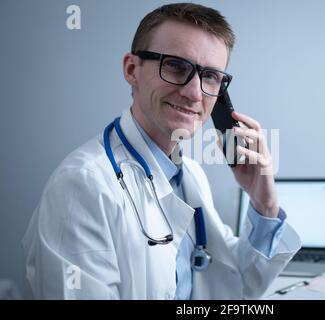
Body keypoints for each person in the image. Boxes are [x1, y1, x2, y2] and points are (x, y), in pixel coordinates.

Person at [22, 3, 301, 299]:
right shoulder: (82, 186)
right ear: (132, 69)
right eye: (176, 66)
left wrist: (264, 205)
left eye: (210, 76)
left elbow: (238, 285)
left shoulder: (189, 174)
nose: (194, 93)